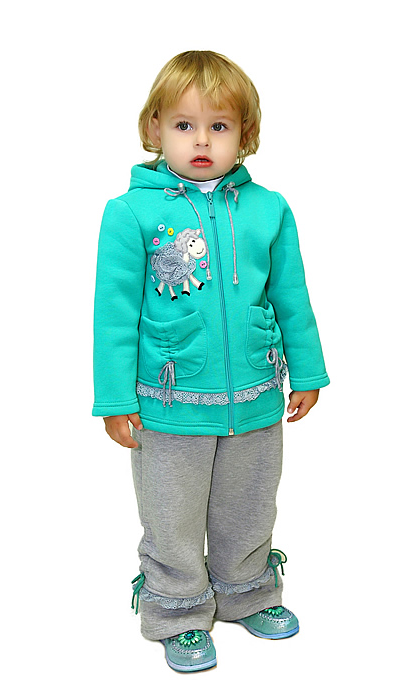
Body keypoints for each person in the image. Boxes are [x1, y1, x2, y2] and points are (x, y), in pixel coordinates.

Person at [93, 50, 330, 673]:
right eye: (184, 124)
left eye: (219, 126)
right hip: (169, 403)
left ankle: (247, 591)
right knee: (171, 515)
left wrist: (307, 371)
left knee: (249, 505)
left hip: (255, 397)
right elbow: (113, 315)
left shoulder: (269, 209)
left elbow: (291, 296)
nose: (201, 140)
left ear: (245, 135)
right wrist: (115, 400)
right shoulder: (131, 213)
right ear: (154, 129)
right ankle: (176, 610)